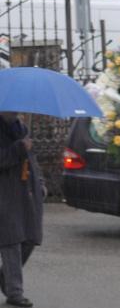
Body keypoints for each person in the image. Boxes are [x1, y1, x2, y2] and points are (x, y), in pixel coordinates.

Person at [0, 112, 45, 308]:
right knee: (12, 240)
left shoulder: (22, 127)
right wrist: (19, 147)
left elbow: (32, 160)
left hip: (26, 191)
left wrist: (41, 182)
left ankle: (5, 278)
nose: (17, 111)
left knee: (30, 238)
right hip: (5, 192)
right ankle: (15, 293)